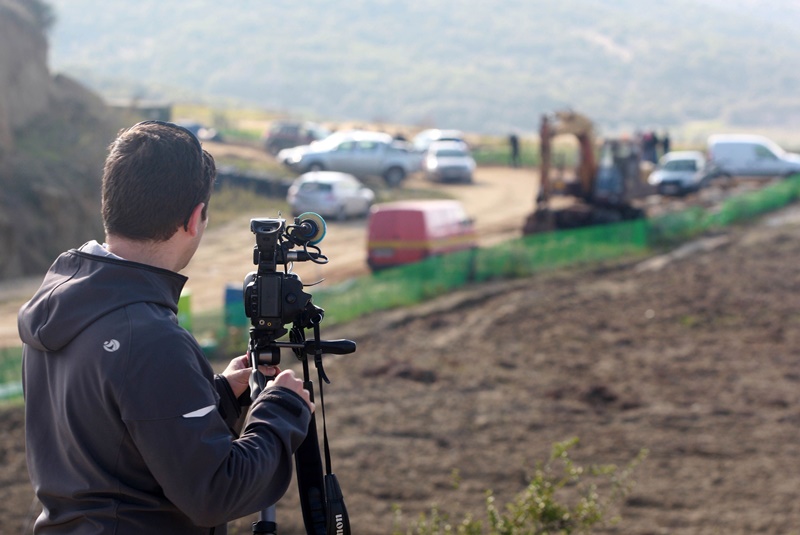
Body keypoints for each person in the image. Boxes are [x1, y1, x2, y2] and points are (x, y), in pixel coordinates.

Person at [18, 120, 315, 534]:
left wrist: (218, 398)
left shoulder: (62, 303)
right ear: (195, 218)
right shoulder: (150, 337)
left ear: (111, 203)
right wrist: (281, 409)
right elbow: (216, 494)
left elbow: (115, 435)